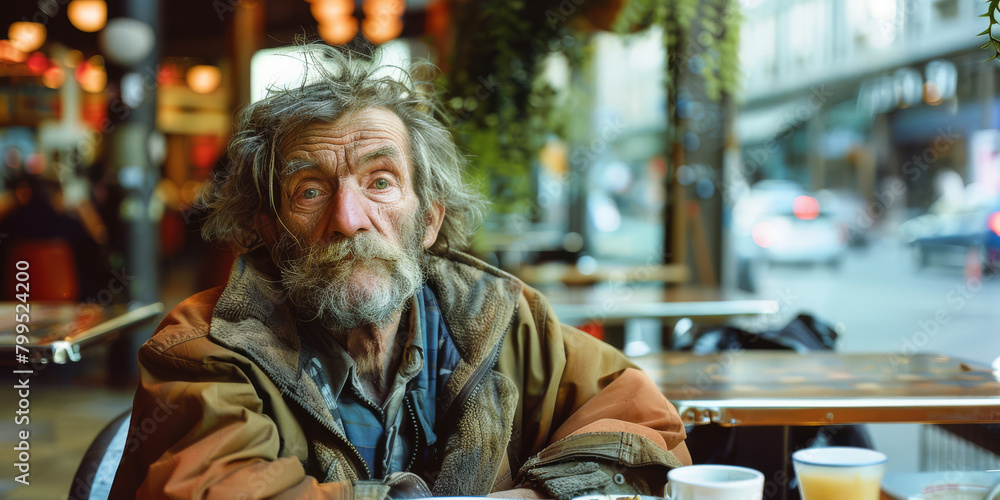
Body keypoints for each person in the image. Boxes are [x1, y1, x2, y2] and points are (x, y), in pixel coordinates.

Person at [109, 45, 691, 500]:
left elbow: (645, 433)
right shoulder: (205, 348)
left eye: (380, 181)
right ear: (267, 229)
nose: (348, 220)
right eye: (309, 190)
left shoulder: (503, 322)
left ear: (429, 221)